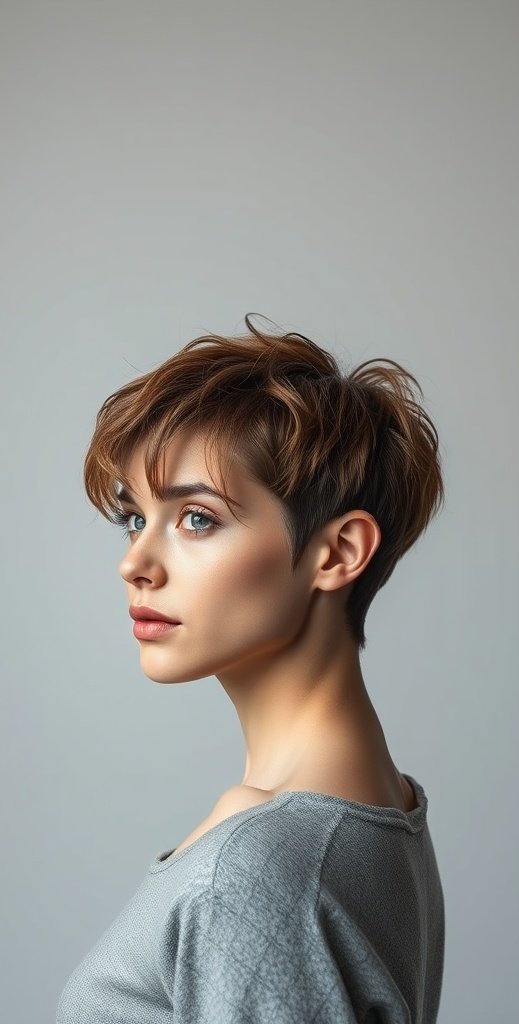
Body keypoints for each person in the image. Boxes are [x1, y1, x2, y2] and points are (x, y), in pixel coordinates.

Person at [56, 313, 446, 1023]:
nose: (134, 564)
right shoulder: (380, 807)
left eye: (197, 518)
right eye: (134, 518)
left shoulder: (258, 869)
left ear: (338, 553)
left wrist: (235, 852)